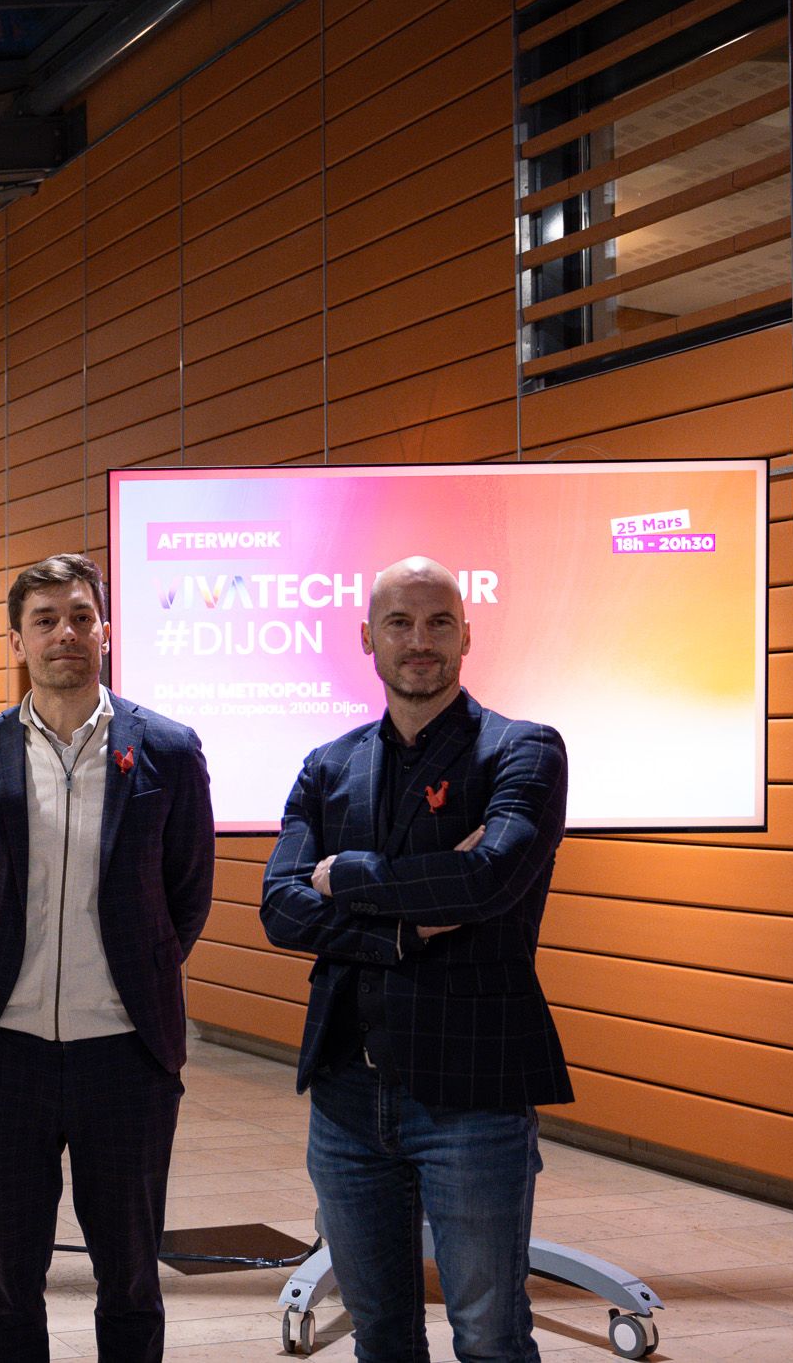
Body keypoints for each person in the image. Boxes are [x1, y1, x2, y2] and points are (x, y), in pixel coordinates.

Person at [260, 555, 573, 1363]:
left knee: (491, 1337)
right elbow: (281, 907)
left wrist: (351, 875)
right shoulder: (328, 765)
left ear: (468, 633)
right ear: (367, 637)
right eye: (399, 622)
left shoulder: (523, 751)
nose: (420, 640)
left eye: (439, 621)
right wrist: (405, 928)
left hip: (471, 1098)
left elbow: (486, 877)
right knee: (382, 1338)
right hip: (346, 1101)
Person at [0, 553, 215, 1363]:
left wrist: (136, 975)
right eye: (46, 619)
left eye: (81, 616)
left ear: (106, 630)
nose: (66, 633)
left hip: (125, 1058)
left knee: (129, 1280)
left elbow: (185, 896)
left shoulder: (166, 748)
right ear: (16, 640)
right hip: (3, 1056)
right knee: (10, 1285)